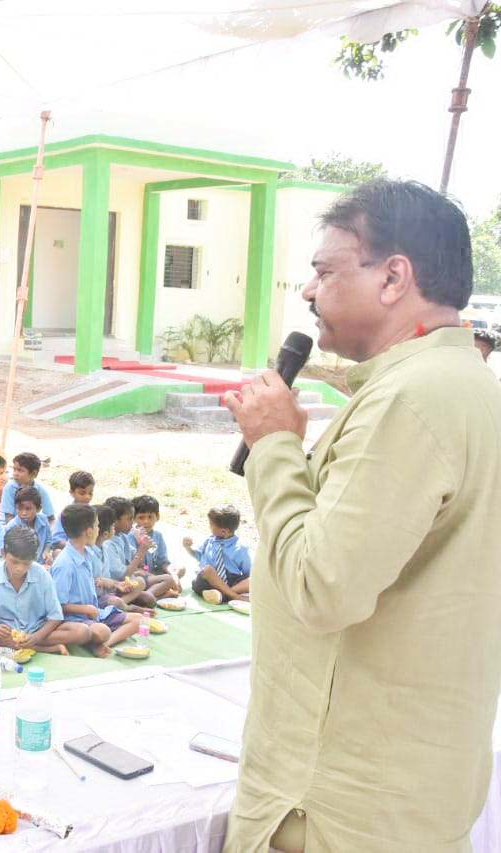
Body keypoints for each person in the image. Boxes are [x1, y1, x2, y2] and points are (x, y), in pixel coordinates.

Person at [217, 182, 501, 850]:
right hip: (406, 800)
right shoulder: (468, 389)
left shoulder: (411, 400)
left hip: (332, 814)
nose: (309, 293)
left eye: (323, 272)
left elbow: (323, 585)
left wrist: (275, 446)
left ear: (394, 277)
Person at [0, 525, 90, 655]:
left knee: (82, 632)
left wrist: (36, 637)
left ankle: (28, 645)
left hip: (38, 630)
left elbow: (55, 617)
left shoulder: (42, 575)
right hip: (6, 633)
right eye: (14, 562)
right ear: (3, 553)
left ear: (34, 558)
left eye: (26, 563)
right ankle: (47, 649)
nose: (19, 568)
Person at [50, 504, 140, 658]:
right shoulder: (65, 563)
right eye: (97, 525)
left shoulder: (88, 554)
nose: (99, 529)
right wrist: (87, 609)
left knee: (138, 620)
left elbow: (92, 582)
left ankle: (104, 643)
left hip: (94, 614)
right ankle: (96, 640)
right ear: (89, 531)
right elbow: (57, 605)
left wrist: (115, 584)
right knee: (102, 631)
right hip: (74, 619)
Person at [182, 505, 252, 603]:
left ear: (223, 531)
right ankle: (234, 597)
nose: (209, 527)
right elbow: (198, 556)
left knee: (252, 580)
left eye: (211, 525)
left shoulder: (241, 548)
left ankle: (222, 595)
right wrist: (188, 548)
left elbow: (248, 573)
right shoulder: (209, 540)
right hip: (207, 580)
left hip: (231, 581)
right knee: (208, 569)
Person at [131, 495, 181, 598]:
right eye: (141, 517)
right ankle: (155, 595)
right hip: (138, 575)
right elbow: (133, 568)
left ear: (157, 517)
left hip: (153, 572)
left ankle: (162, 587)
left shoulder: (158, 536)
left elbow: (163, 562)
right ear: (133, 519)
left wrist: (174, 576)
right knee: (165, 579)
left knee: (180, 569)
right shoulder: (130, 537)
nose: (146, 521)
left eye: (150, 517)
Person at [3, 487, 52, 565]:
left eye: (28, 509)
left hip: (42, 563)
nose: (24, 513)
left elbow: (49, 540)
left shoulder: (43, 520)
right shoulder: (12, 527)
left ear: (39, 509)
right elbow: (13, 557)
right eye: (20, 509)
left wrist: (47, 552)